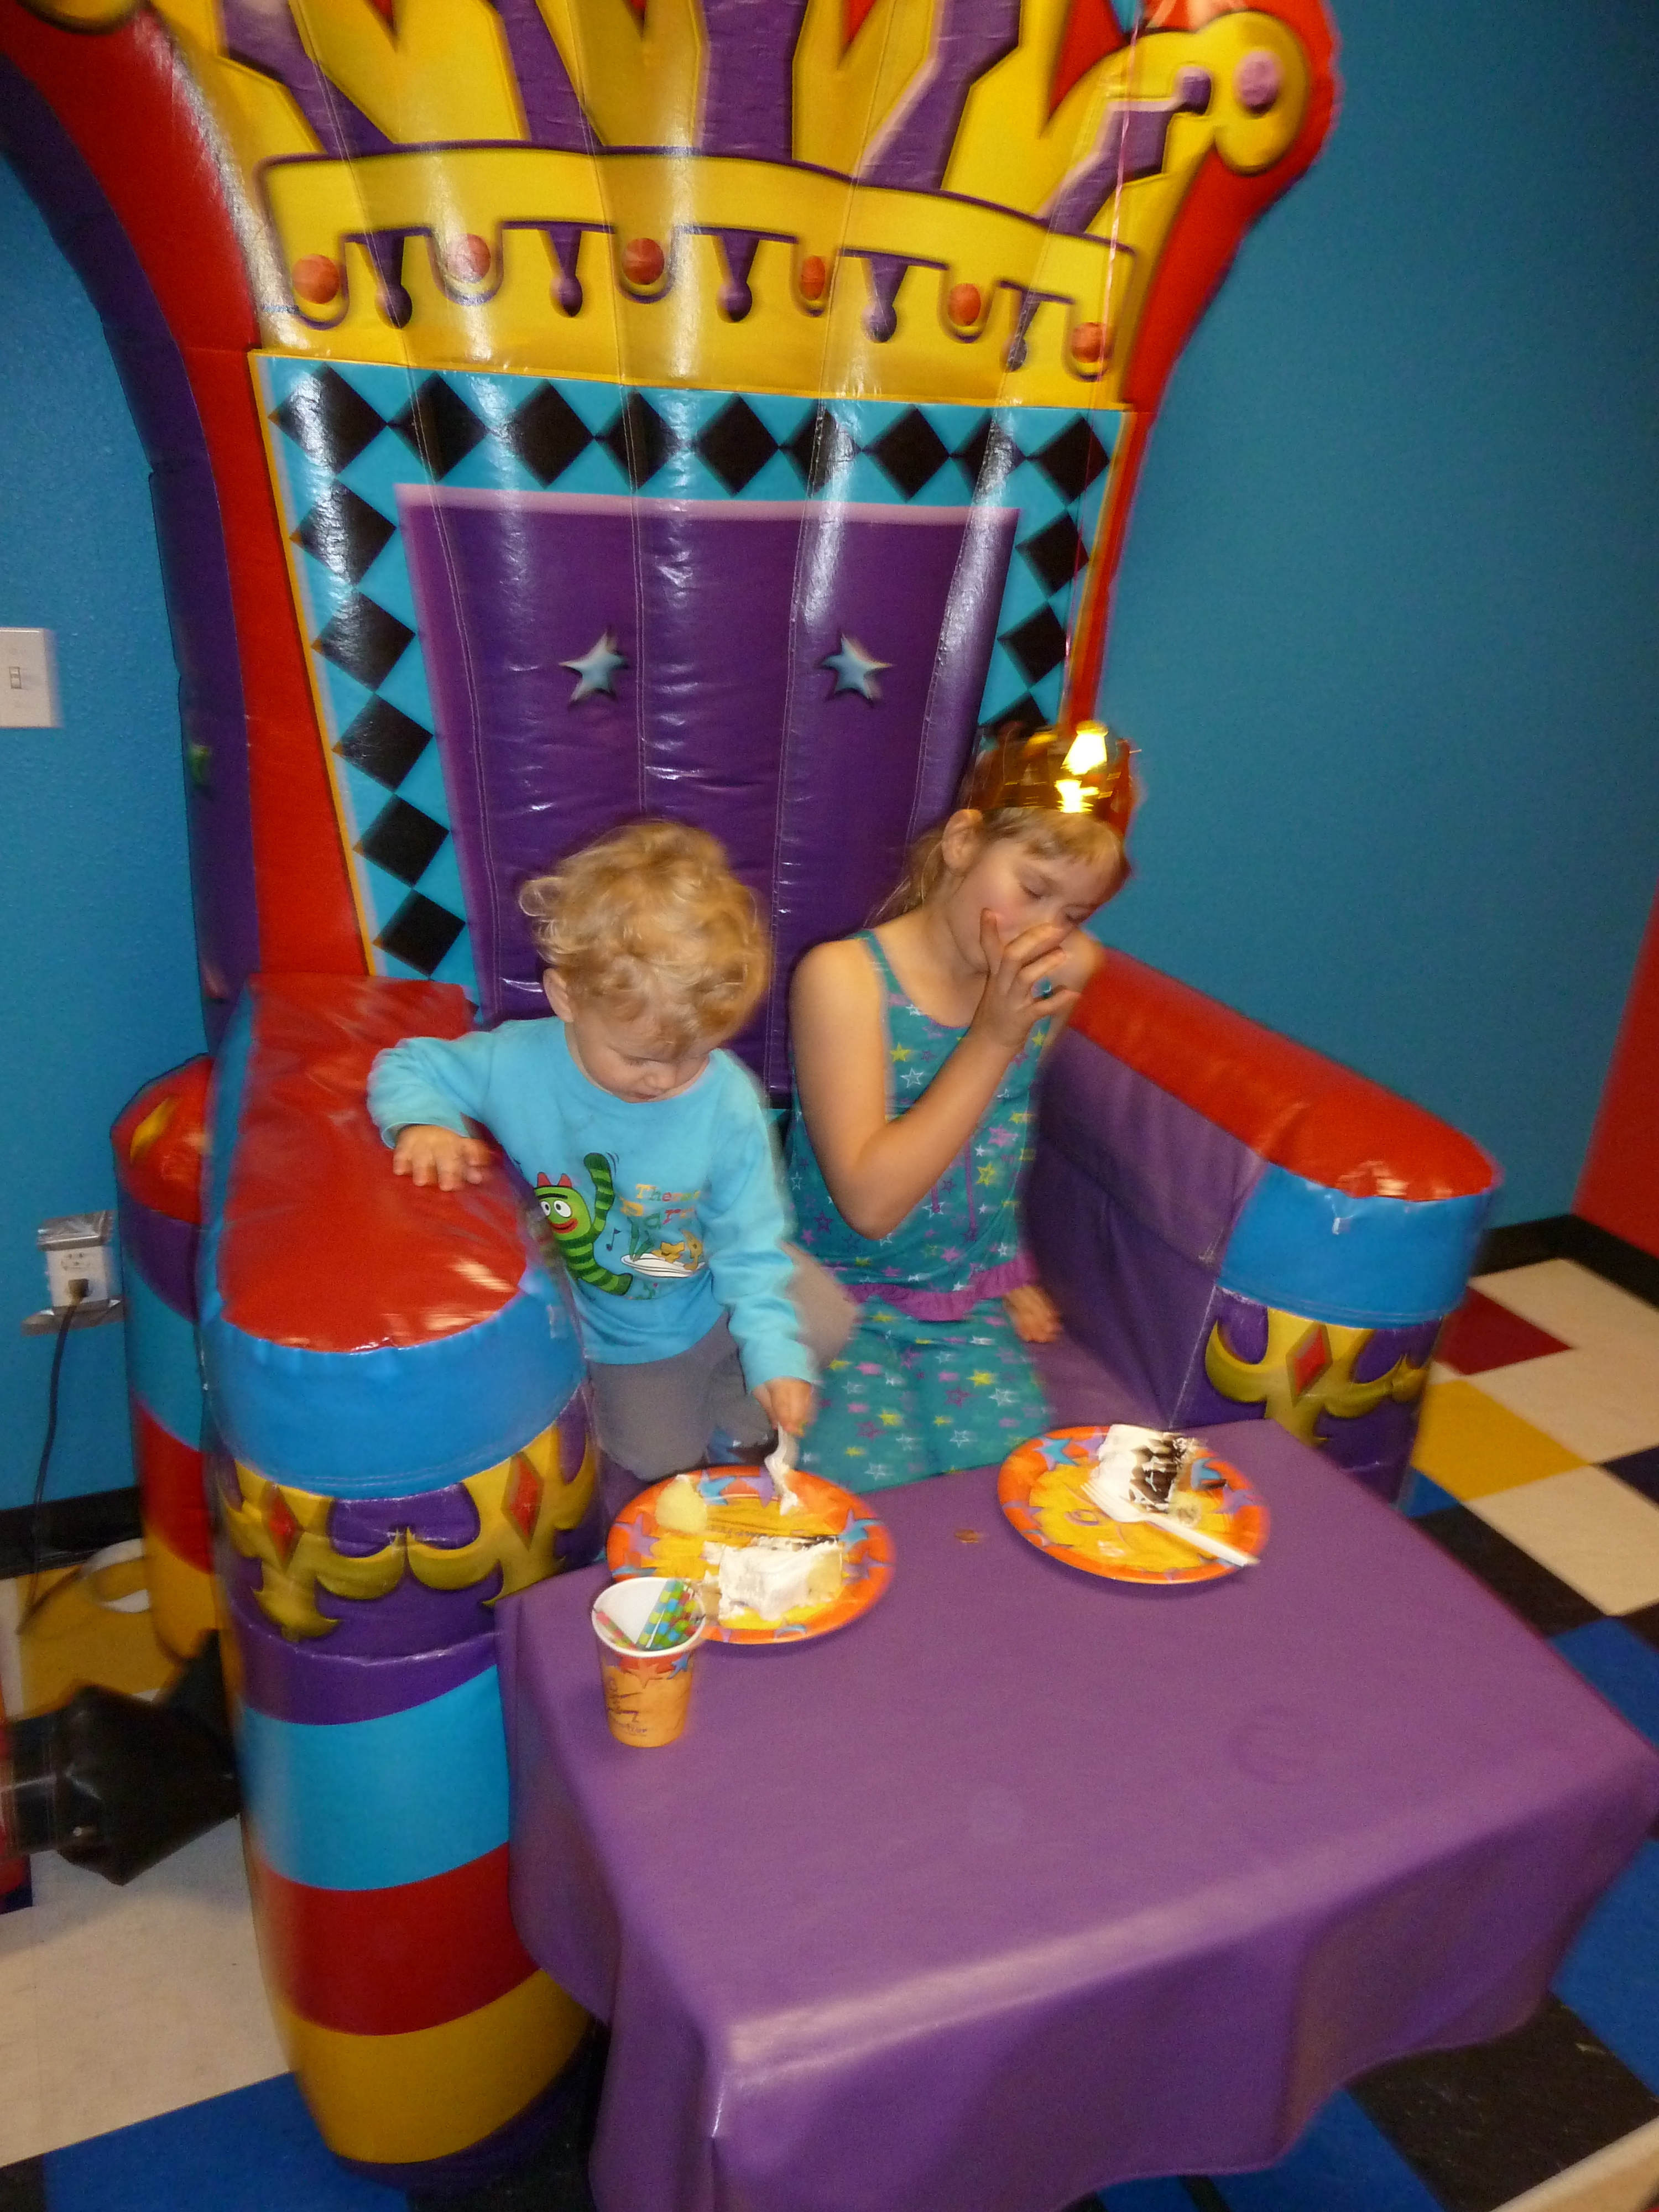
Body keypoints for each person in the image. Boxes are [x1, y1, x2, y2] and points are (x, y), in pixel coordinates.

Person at [368, 820, 815, 1499]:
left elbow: (750, 1246)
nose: (666, 1079)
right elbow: (410, 1063)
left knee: (817, 1325)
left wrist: (774, 1355)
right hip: (623, 1332)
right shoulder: (516, 1062)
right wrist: (425, 1123)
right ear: (567, 999)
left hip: (714, 1292)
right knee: (658, 1460)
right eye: (640, 1057)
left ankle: (740, 1385)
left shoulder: (726, 1098)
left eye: (693, 1054)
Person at [785, 723, 1133, 1489]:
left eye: (1075, 913)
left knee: (1013, 1487)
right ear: (964, 842)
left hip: (960, 1298)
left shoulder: (1065, 970)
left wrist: (1001, 1265)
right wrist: (994, 1037)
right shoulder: (843, 979)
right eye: (1032, 890)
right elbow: (870, 1203)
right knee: (872, 1491)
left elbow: (1003, 1127)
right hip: (832, 1291)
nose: (1047, 931)